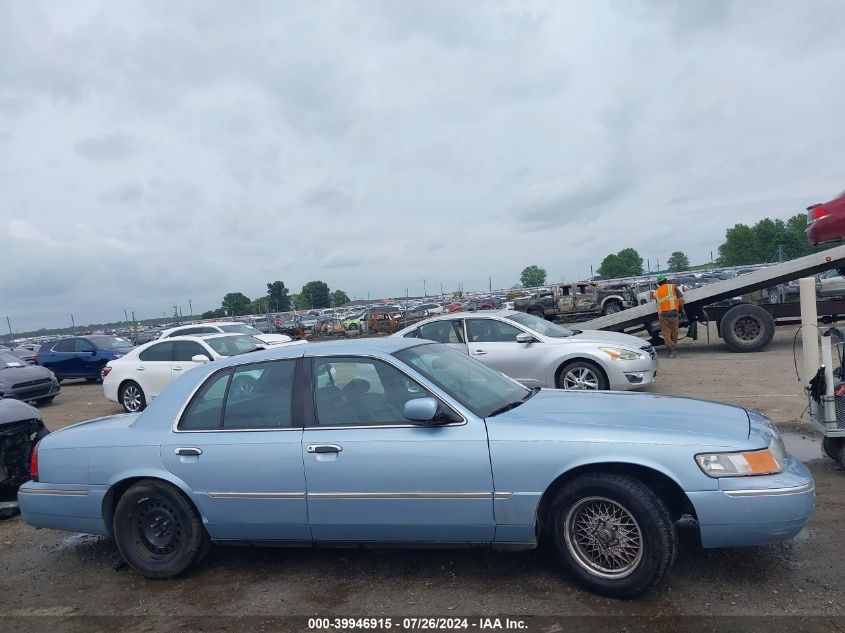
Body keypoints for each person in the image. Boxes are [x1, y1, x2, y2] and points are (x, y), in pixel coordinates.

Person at [652, 275, 685, 358]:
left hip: (662, 315)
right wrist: (682, 310)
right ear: (666, 280)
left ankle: (671, 351)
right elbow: (680, 300)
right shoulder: (672, 287)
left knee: (666, 333)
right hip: (673, 314)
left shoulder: (656, 292)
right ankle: (673, 349)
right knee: (674, 332)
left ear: (658, 283)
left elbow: (657, 302)